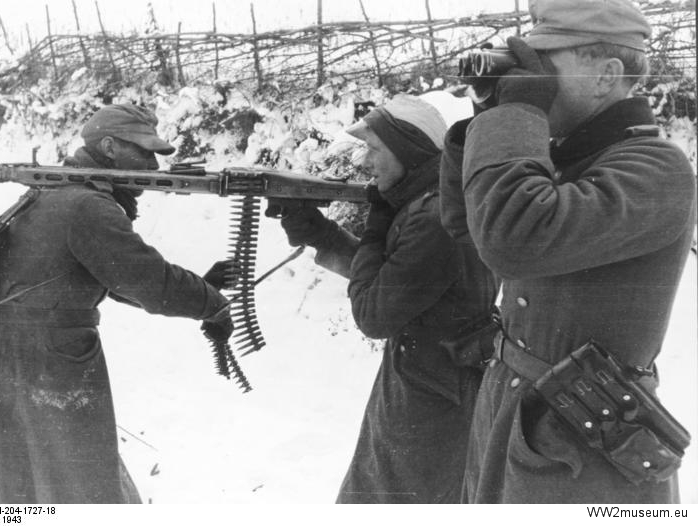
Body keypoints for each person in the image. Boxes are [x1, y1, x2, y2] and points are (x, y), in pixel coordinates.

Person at [451, 0, 696, 503]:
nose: (531, 77)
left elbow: (511, 238)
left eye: (543, 64)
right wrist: (492, 116)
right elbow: (466, 227)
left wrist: (516, 114)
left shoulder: (658, 170)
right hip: (513, 416)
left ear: (607, 75)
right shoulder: (562, 160)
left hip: (582, 447)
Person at [0, 103, 235, 503]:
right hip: (34, 361)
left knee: (12, 487)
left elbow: (109, 273)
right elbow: (147, 280)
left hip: (0, 356)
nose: (153, 165)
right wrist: (213, 304)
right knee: (72, 488)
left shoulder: (55, 191)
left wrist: (199, 289)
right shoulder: (87, 204)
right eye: (144, 152)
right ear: (109, 147)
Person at [280, 94, 498, 503]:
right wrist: (323, 236)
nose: (366, 161)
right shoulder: (428, 204)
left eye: (375, 149)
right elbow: (396, 285)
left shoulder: (433, 219)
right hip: (429, 378)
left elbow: (373, 314)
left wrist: (377, 224)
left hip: (434, 396)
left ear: (407, 152)